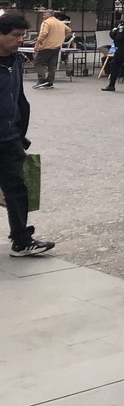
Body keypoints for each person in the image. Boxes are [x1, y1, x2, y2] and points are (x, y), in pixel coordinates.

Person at [0, 13, 55, 256]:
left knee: (17, 188)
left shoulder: (17, 60)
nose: (20, 40)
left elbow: (18, 97)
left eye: (22, 35)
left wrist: (20, 130)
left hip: (9, 137)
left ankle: (21, 239)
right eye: (15, 36)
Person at [31, 10, 68, 90]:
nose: (43, 15)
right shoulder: (60, 23)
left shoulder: (46, 22)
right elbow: (68, 30)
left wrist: (37, 44)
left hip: (46, 46)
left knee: (37, 62)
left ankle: (42, 80)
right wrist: (61, 38)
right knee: (52, 65)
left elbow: (43, 34)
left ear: (49, 14)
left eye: (44, 14)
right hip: (56, 46)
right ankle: (50, 82)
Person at [102, 10, 124, 91]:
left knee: (115, 67)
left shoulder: (122, 26)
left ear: (123, 16)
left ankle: (111, 85)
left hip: (121, 50)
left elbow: (118, 38)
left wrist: (113, 34)